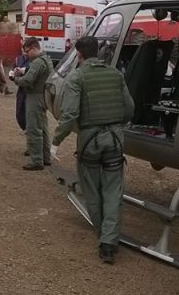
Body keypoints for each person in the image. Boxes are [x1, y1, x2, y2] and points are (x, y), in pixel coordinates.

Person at [50, 36, 134, 264]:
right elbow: (129, 109)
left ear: (79, 55)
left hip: (89, 142)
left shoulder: (77, 76)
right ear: (97, 52)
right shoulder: (116, 74)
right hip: (115, 139)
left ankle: (103, 235)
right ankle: (109, 244)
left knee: (93, 193)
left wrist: (56, 141)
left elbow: (69, 115)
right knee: (113, 191)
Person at [12, 37, 53, 170]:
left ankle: (36, 160)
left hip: (35, 97)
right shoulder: (46, 59)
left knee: (33, 128)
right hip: (42, 96)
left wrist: (15, 79)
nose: (26, 54)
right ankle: (46, 157)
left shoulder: (37, 62)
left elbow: (28, 81)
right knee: (43, 128)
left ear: (34, 48)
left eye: (27, 51)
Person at [10, 46, 31, 131]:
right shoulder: (18, 59)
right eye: (23, 49)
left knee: (28, 110)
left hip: (30, 89)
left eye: (27, 50)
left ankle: (28, 128)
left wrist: (23, 70)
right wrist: (13, 73)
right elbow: (12, 70)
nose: (25, 51)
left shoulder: (34, 60)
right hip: (21, 88)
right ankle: (24, 127)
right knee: (19, 111)